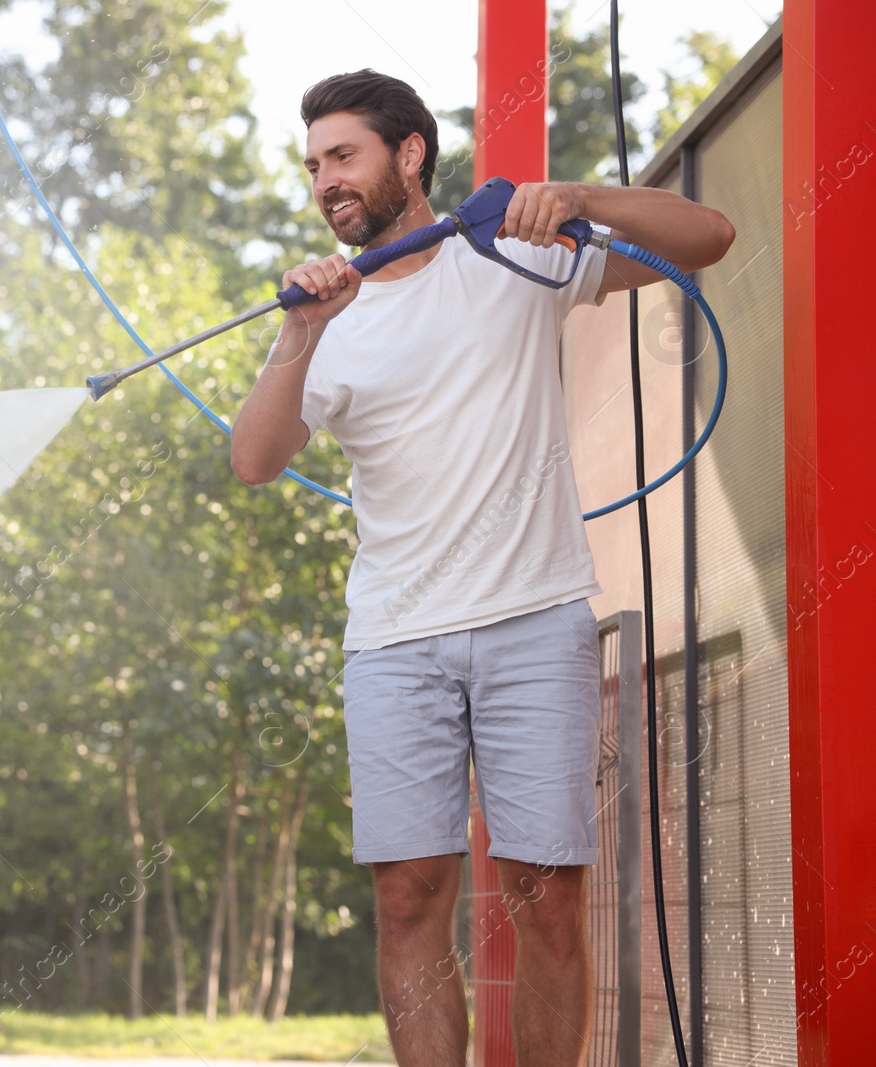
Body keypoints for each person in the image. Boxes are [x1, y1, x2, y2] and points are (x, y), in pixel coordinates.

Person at [229, 70, 733, 1067]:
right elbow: (252, 460)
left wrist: (576, 200)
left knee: (547, 895)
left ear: (407, 154)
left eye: (343, 156)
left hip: (532, 620)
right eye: (314, 164)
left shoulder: (510, 253)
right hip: (391, 642)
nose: (325, 180)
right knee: (407, 893)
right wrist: (297, 331)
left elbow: (706, 237)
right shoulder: (324, 322)